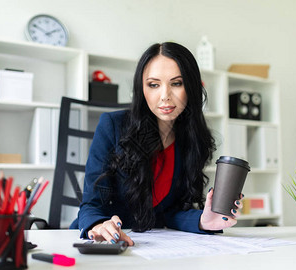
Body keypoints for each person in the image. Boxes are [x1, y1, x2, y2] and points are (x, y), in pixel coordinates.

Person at [70, 42, 243, 245]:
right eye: (153, 85)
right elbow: (91, 204)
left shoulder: (191, 139)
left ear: (192, 87)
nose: (165, 96)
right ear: (142, 88)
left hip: (153, 246)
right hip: (102, 242)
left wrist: (202, 220)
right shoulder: (112, 126)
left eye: (177, 83)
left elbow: (169, 212)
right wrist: (98, 225)